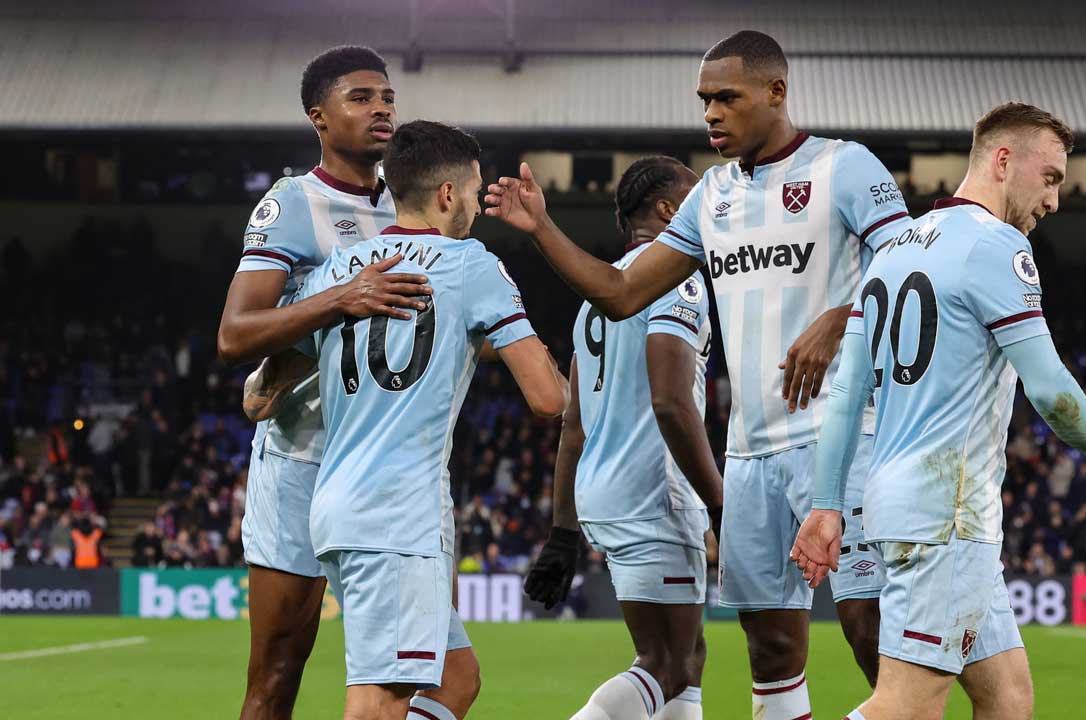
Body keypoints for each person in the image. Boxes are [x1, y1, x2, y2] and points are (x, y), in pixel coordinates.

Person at [486, 30, 907, 715]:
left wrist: (842, 318)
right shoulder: (710, 196)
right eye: (705, 100)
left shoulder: (846, 168)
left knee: (869, 628)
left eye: (727, 97)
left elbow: (911, 262)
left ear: (777, 93)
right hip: (749, 457)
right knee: (768, 648)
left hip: (842, 436)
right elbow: (621, 292)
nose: (711, 113)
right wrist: (543, 229)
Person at [789, 102, 1086, 720]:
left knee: (1007, 698)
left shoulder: (893, 250)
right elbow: (1053, 392)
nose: (1054, 200)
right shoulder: (997, 247)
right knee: (907, 706)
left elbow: (849, 394)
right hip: (946, 517)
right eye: (1051, 178)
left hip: (908, 506)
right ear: (1003, 161)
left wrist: (827, 504)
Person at [216, 46, 478, 720]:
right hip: (303, 461)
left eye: (387, 97)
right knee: (276, 674)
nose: (381, 108)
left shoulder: (420, 200)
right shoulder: (294, 202)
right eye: (361, 98)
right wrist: (340, 299)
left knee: (435, 676)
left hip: (399, 476)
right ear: (320, 118)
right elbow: (234, 334)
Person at [287, 119, 568, 720]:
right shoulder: (471, 263)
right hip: (397, 517)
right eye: (471, 192)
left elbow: (259, 396)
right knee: (379, 702)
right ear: (446, 196)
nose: (475, 205)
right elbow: (547, 399)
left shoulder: (343, 271)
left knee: (456, 679)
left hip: (338, 506)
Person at [525, 157, 723, 720]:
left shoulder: (597, 300)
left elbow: (574, 424)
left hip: (604, 493)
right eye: (695, 196)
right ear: (669, 210)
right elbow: (670, 399)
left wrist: (563, 532)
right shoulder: (675, 278)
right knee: (665, 661)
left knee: (688, 657)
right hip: (652, 491)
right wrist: (719, 501)